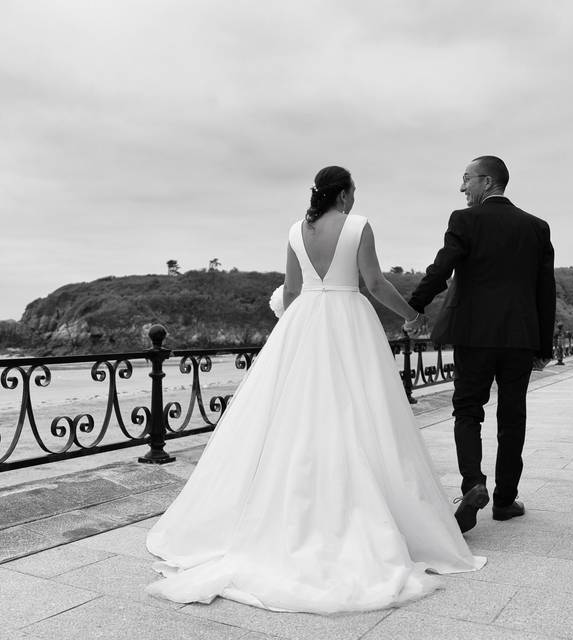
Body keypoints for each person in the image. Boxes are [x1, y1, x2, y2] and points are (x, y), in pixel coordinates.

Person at [145, 166, 484, 614]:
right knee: (363, 414)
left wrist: (291, 319)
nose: (354, 200)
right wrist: (410, 316)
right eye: (353, 192)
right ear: (343, 195)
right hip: (349, 321)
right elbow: (375, 284)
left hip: (304, 322)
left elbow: (291, 290)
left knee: (296, 416)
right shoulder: (358, 226)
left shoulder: (295, 231)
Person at [405, 156, 555, 533]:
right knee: (512, 416)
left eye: (466, 179)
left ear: (487, 182)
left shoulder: (464, 220)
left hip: (473, 335)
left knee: (468, 411)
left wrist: (413, 308)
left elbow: (441, 270)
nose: (462, 188)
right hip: (519, 339)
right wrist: (543, 346)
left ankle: (473, 484)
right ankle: (505, 500)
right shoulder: (537, 227)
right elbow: (544, 291)